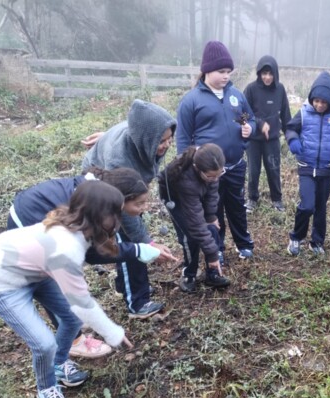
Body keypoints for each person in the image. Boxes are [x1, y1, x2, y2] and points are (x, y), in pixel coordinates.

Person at [0, 181, 134, 398]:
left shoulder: (77, 224)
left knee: (71, 319)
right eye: (115, 213)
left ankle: (58, 364)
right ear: (100, 215)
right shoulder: (66, 249)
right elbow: (82, 302)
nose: (119, 219)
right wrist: (113, 333)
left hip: (34, 271)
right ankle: (47, 388)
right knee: (44, 343)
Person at [7, 167, 162, 358]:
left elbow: (100, 247)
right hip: (28, 216)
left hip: (44, 208)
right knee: (52, 285)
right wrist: (111, 331)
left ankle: (73, 325)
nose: (144, 208)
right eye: (139, 203)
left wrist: (141, 249)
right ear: (119, 201)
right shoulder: (72, 237)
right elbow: (93, 256)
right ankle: (73, 342)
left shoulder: (99, 201)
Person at [82, 99, 177, 318]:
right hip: (100, 186)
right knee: (127, 239)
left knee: (135, 233)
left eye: (169, 139)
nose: (166, 145)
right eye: (161, 141)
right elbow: (125, 212)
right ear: (145, 139)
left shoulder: (142, 138)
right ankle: (137, 301)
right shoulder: (119, 160)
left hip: (125, 184)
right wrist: (148, 243)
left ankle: (127, 285)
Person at [175, 40, 256, 262]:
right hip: (209, 171)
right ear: (207, 70)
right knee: (213, 209)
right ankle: (216, 248)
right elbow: (182, 137)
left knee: (236, 206)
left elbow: (249, 118)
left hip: (236, 164)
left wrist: (250, 127)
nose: (226, 76)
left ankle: (244, 244)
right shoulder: (192, 100)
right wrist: (186, 167)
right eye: (221, 71)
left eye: (229, 71)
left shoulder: (236, 96)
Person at [285, 71, 330, 256]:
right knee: (307, 205)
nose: (319, 105)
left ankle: (317, 242)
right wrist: (293, 140)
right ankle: (296, 238)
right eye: (317, 101)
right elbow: (290, 128)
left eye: (324, 102)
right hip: (306, 166)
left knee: (321, 207)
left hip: (326, 169)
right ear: (312, 99)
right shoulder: (304, 112)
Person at [158, 144, 230, 293]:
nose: (215, 179)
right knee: (189, 236)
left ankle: (212, 273)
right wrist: (212, 255)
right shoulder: (186, 180)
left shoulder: (212, 170)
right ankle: (189, 274)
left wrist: (210, 216)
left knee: (212, 227)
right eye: (211, 176)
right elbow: (196, 224)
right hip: (176, 199)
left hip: (197, 191)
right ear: (198, 168)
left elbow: (212, 193)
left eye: (219, 174)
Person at [243, 55, 292, 213]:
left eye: (270, 74)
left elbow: (286, 115)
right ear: (259, 73)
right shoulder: (251, 89)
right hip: (254, 140)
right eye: (264, 73)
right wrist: (259, 123)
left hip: (272, 140)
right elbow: (241, 114)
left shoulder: (280, 89)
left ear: (275, 74)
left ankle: (277, 199)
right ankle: (252, 198)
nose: (267, 77)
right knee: (254, 170)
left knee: (273, 169)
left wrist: (291, 135)